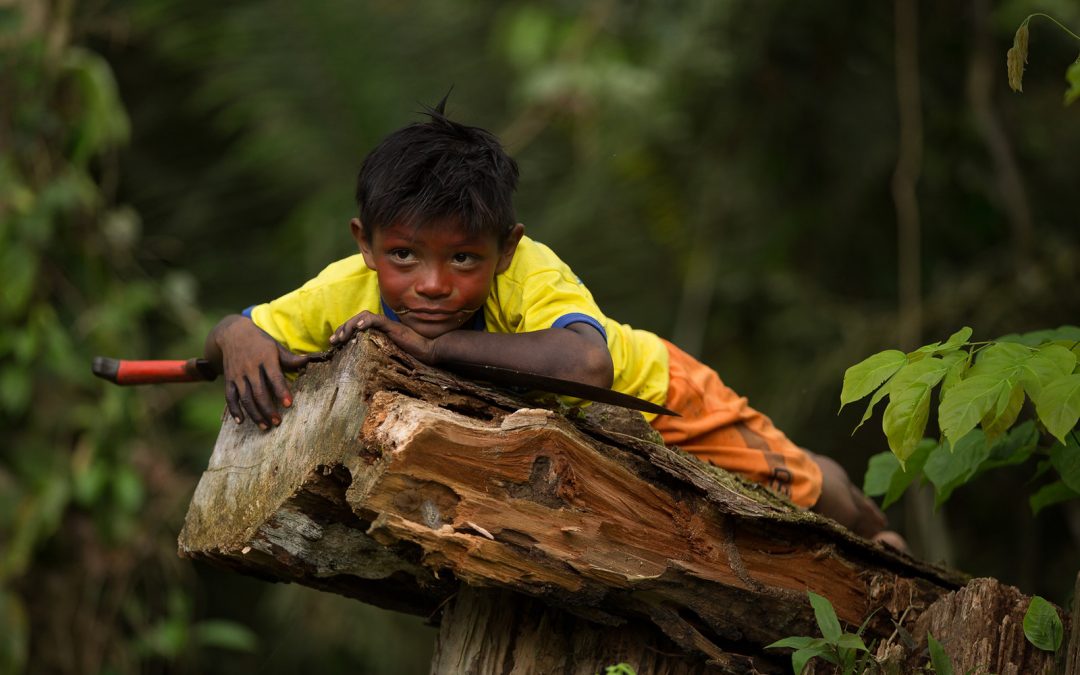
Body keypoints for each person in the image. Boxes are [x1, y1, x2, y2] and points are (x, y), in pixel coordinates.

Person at [203, 98, 902, 547]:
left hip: (662, 401)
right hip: (579, 454)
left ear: (505, 247)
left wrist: (438, 345)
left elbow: (588, 366)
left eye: (465, 257)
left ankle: (876, 528)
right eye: (404, 254)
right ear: (366, 242)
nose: (432, 283)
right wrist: (238, 338)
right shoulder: (346, 285)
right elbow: (241, 329)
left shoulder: (531, 270)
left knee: (803, 490)